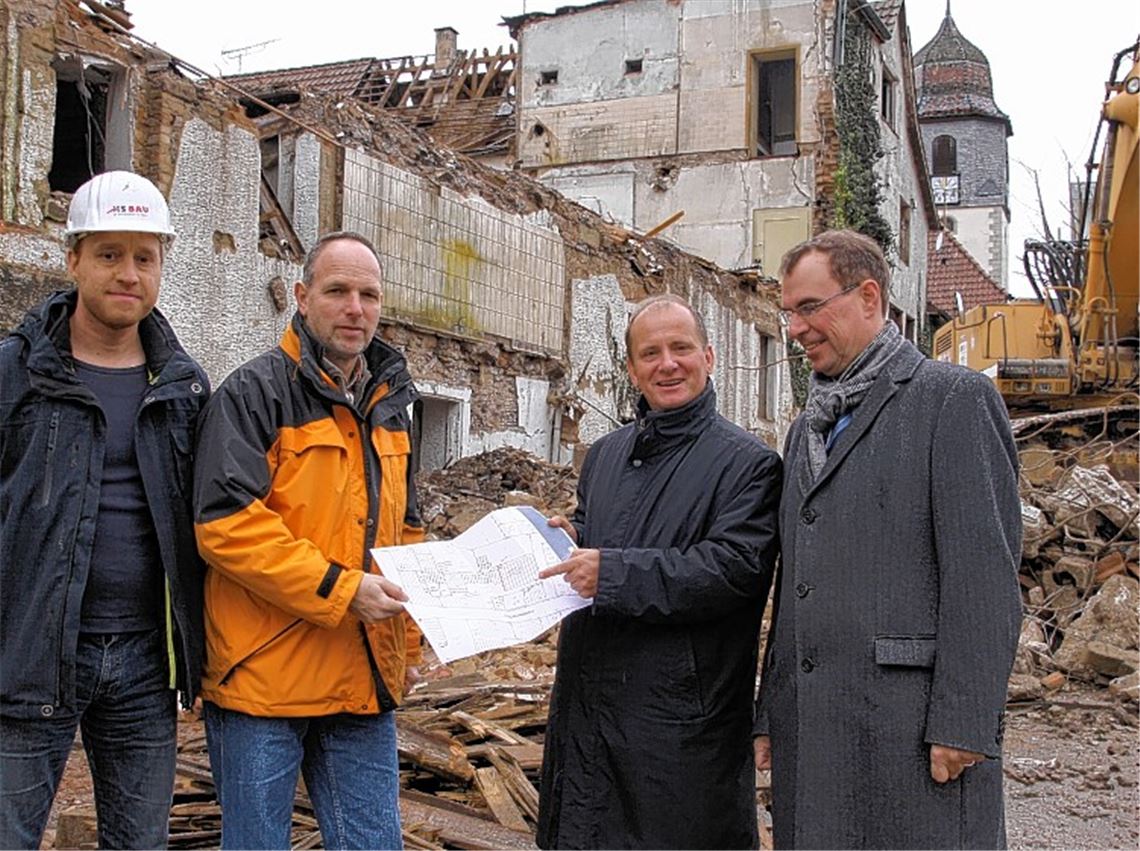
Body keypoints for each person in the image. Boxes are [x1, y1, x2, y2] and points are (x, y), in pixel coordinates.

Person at [753, 229, 1022, 849]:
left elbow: (983, 577)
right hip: (814, 726)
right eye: (789, 311)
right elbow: (795, 582)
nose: (795, 328)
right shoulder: (805, 431)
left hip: (907, 726)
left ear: (869, 297)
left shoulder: (952, 400)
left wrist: (965, 721)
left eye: (810, 308)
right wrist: (772, 708)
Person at [192, 231, 424, 850]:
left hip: (361, 678)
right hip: (263, 682)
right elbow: (226, 526)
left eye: (369, 295)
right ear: (300, 296)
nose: (356, 308)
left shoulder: (392, 405)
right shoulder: (253, 394)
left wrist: (421, 634)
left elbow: (407, 534)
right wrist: (342, 589)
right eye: (338, 291)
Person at [0, 170, 209, 849]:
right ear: (73, 260)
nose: (128, 273)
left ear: (160, 267)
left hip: (147, 664)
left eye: (143, 257)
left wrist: (199, 654)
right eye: (109, 253)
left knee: (138, 842)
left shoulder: (183, 385)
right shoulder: (17, 372)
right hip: (29, 653)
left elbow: (204, 525)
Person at [536, 293, 783, 849]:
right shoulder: (604, 455)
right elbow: (600, 532)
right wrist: (569, 537)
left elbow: (734, 567)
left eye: (681, 348)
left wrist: (613, 574)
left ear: (709, 357)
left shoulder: (749, 464)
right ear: (631, 368)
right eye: (650, 353)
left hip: (676, 726)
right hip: (588, 711)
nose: (666, 364)